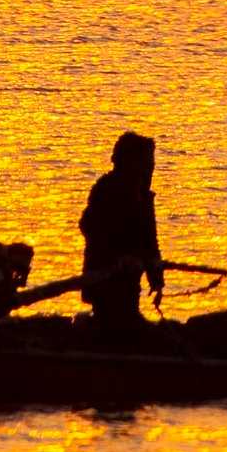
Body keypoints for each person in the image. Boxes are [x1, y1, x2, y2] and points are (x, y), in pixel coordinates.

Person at [79, 130, 165, 329]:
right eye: (146, 163)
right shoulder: (106, 189)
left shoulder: (144, 197)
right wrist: (118, 257)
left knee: (129, 313)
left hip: (130, 280)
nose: (151, 169)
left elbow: (149, 241)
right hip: (104, 276)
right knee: (113, 319)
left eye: (151, 163)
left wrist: (156, 279)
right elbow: (89, 226)